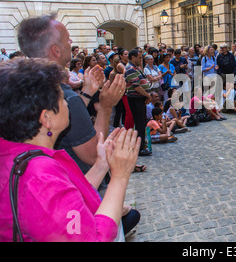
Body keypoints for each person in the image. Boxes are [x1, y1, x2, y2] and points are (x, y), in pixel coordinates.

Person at [0, 58, 140, 241]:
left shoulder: (19, 155)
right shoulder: (40, 177)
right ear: (46, 118)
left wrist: (101, 164)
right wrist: (120, 176)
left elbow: (68, 200)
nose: (67, 103)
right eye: (61, 98)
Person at [17, 13, 127, 181]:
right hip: (75, 183)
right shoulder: (63, 95)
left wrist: (87, 92)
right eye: (67, 40)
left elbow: (68, 118)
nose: (71, 43)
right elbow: (92, 155)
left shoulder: (21, 88)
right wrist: (105, 106)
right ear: (56, 50)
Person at [124, 49, 152, 156]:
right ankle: (139, 148)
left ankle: (141, 145)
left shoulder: (137, 68)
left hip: (140, 98)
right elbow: (136, 86)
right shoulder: (130, 69)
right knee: (139, 123)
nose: (141, 60)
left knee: (141, 122)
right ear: (133, 57)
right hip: (135, 98)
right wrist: (147, 95)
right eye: (139, 58)